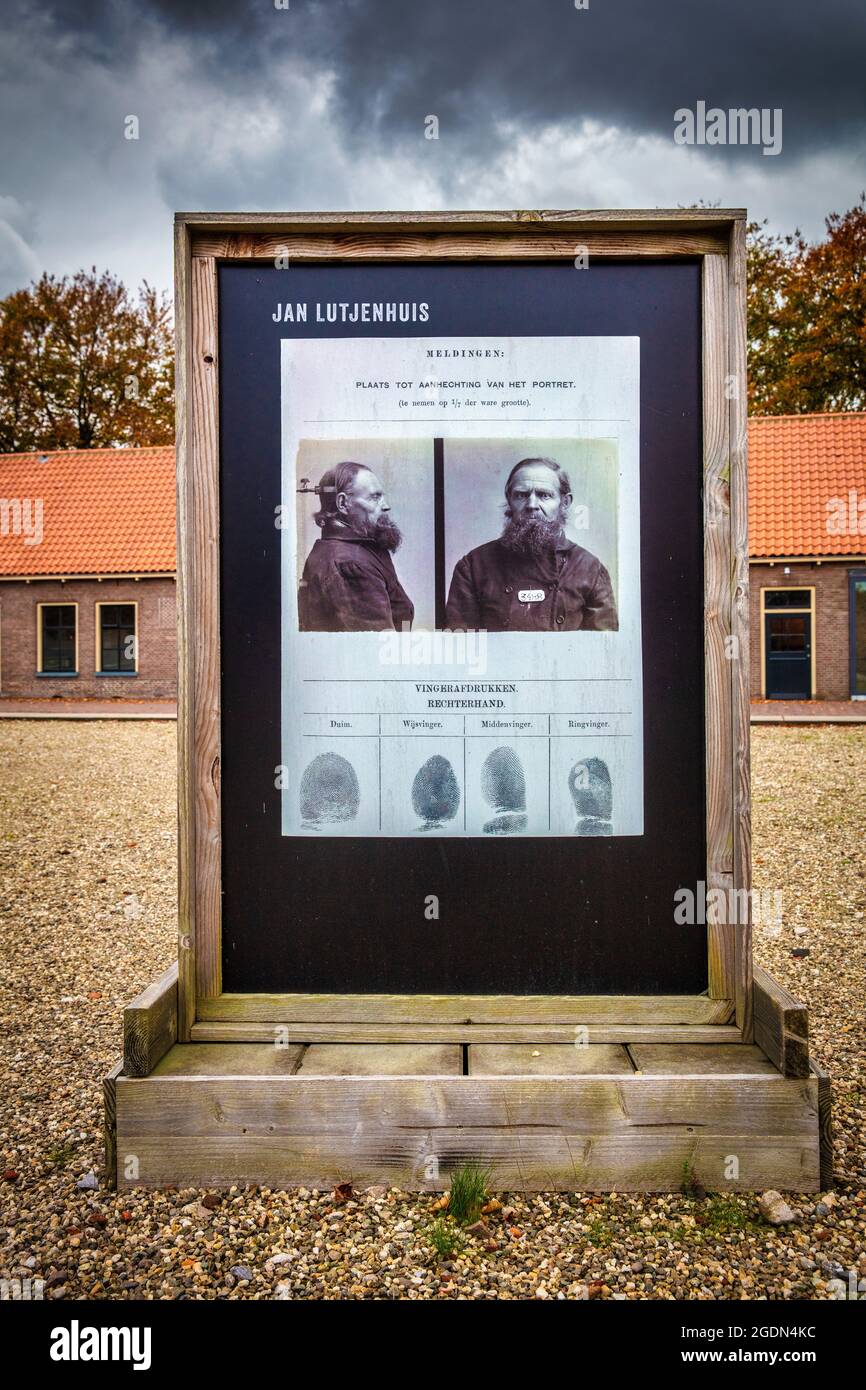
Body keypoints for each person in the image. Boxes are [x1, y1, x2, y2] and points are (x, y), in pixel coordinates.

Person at [444, 457, 618, 632]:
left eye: (544, 495)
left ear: (564, 503)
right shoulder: (473, 567)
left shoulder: (590, 569)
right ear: (509, 499)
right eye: (521, 495)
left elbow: (605, 648)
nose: (532, 505)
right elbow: (463, 646)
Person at [297, 462, 414, 631]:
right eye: (374, 497)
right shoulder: (349, 564)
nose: (386, 505)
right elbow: (374, 648)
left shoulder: (352, 553)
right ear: (343, 503)